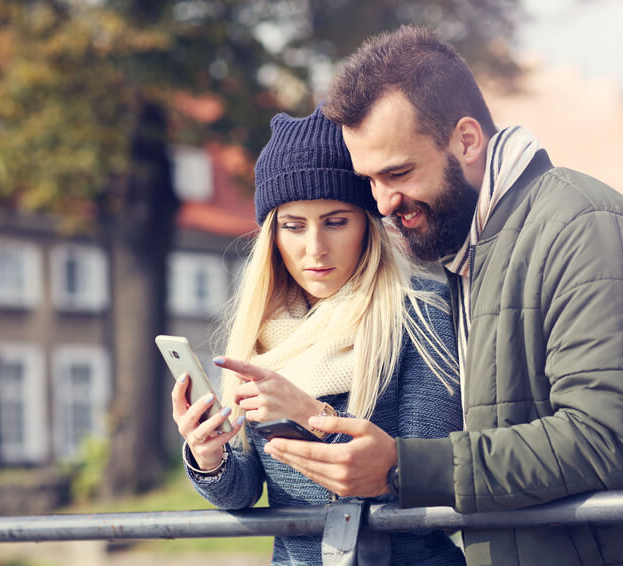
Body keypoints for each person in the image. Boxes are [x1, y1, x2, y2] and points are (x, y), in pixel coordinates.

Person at [260, 26, 623, 566]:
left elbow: (607, 442)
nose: (385, 202)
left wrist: (403, 466)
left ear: (466, 140)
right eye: (370, 180)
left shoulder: (587, 230)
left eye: (399, 172)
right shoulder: (475, 251)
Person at [170, 106, 466, 565]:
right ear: (272, 235)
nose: (314, 248)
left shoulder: (421, 317)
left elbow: (424, 492)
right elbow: (243, 495)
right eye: (293, 226)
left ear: (369, 223)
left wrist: (312, 417)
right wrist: (209, 456)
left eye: (335, 221)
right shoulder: (263, 333)